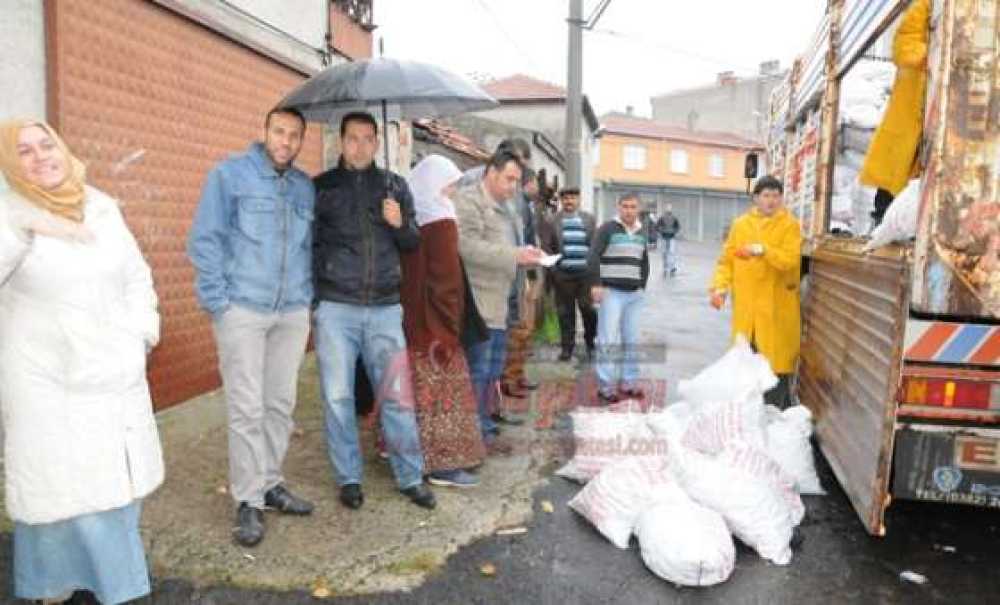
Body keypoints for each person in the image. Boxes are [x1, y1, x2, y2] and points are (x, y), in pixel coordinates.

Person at [0, 120, 163, 604]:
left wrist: (140, 334)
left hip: (113, 375)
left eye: (46, 144)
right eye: (23, 151)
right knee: (60, 502)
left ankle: (115, 590)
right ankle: (54, 588)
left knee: (110, 497)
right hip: (47, 384)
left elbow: (136, 276)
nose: (40, 157)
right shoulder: (8, 212)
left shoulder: (100, 206)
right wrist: (22, 228)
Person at [188, 107, 316, 546]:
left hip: (292, 312)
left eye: (294, 135)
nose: (286, 141)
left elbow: (309, 248)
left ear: (301, 141)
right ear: (264, 132)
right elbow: (205, 239)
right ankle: (248, 500)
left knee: (280, 403)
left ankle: (270, 482)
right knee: (247, 408)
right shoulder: (229, 176)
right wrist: (218, 303)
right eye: (279, 132)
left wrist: (307, 298)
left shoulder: (303, 188)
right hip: (242, 308)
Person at [312, 112, 436, 510]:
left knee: (398, 396)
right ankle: (348, 478)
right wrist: (317, 299)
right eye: (353, 139)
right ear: (341, 141)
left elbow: (414, 242)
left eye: (368, 139)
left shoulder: (395, 186)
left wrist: (399, 224)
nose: (360, 146)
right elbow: (309, 246)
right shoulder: (322, 189)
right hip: (336, 309)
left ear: (377, 142)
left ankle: (410, 476)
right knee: (337, 397)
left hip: (384, 308)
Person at [400, 154, 486, 488]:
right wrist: (452, 325)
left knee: (411, 389)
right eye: (448, 188)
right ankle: (443, 465)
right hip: (438, 325)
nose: (450, 195)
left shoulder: (411, 217)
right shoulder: (442, 221)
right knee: (443, 394)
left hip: (413, 323)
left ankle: (397, 449)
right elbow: (448, 281)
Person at [453, 149, 543, 445]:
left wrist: (529, 258)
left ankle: (485, 421)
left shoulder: (508, 207)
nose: (513, 186)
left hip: (502, 300)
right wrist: (515, 255)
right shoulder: (469, 202)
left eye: (517, 181)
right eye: (509, 179)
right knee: (477, 369)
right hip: (478, 302)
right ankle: (472, 430)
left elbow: (515, 244)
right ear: (491, 172)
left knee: (493, 368)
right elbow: (467, 247)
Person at [709, 176, 802, 409]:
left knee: (774, 371)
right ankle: (744, 419)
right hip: (747, 314)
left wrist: (763, 250)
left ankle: (773, 422)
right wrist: (720, 288)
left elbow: (789, 261)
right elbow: (726, 261)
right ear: (756, 198)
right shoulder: (741, 225)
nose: (771, 201)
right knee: (743, 367)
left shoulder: (789, 225)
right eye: (766, 195)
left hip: (775, 313)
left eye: (776, 195)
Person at [859, 0, 929, 228]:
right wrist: (938, 54)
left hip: (954, 113)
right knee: (897, 172)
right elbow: (903, 46)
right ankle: (883, 219)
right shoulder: (928, 5)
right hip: (914, 108)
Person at [589, 192, 650, 403]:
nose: (629, 210)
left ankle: (629, 383)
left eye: (633, 206)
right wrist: (596, 284)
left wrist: (642, 285)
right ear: (618, 207)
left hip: (634, 295)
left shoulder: (642, 231)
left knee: (632, 340)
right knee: (608, 340)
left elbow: (643, 260)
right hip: (611, 293)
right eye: (625, 206)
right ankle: (605, 387)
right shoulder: (607, 229)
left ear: (638, 208)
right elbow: (593, 256)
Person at [541, 187, 598, 362]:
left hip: (585, 275)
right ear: (561, 200)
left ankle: (590, 341)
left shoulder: (589, 219)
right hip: (563, 275)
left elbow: (595, 247)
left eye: (573, 198)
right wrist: (554, 271)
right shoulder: (551, 221)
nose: (569, 201)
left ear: (578, 200)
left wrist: (596, 275)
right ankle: (567, 348)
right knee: (565, 314)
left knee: (588, 311)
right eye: (565, 198)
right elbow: (547, 247)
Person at [500, 167, 543, 399]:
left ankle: (517, 375)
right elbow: (521, 242)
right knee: (519, 329)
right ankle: (510, 379)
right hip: (519, 274)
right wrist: (532, 276)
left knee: (524, 330)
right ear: (530, 182)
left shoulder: (525, 205)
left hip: (525, 272)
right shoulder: (517, 205)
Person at [656, 204, 681, 277]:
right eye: (667, 209)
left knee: (671, 253)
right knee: (664, 253)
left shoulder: (674, 218)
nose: (668, 210)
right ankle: (665, 267)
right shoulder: (662, 218)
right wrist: (661, 231)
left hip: (671, 237)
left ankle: (671, 267)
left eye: (669, 209)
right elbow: (657, 226)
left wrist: (674, 231)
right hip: (664, 237)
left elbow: (678, 227)